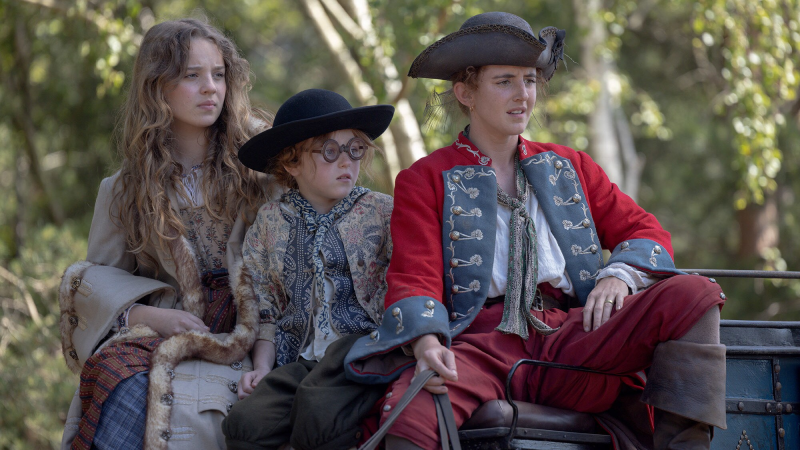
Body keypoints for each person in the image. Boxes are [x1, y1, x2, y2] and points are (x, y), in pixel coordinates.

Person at [345, 12, 727, 450]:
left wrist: (619, 274)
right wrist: (427, 342)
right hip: (483, 345)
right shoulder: (426, 178)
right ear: (465, 92)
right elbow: (415, 276)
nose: (523, 95)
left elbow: (645, 231)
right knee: (410, 416)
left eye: (530, 80)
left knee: (694, 293)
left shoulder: (571, 166)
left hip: (575, 340)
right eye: (504, 81)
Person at [57, 18, 274, 450]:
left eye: (218, 75)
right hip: (166, 330)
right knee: (115, 381)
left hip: (253, 329)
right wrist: (149, 317)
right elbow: (97, 282)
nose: (210, 88)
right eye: (191, 76)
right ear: (158, 87)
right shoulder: (122, 189)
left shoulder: (261, 163)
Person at [221, 89, 394, 450]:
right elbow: (265, 307)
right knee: (244, 424)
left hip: (362, 351)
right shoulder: (270, 222)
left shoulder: (382, 212)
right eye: (330, 151)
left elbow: (408, 282)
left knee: (317, 416)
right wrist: (262, 367)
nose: (347, 161)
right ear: (291, 163)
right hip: (299, 358)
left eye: (355, 148)